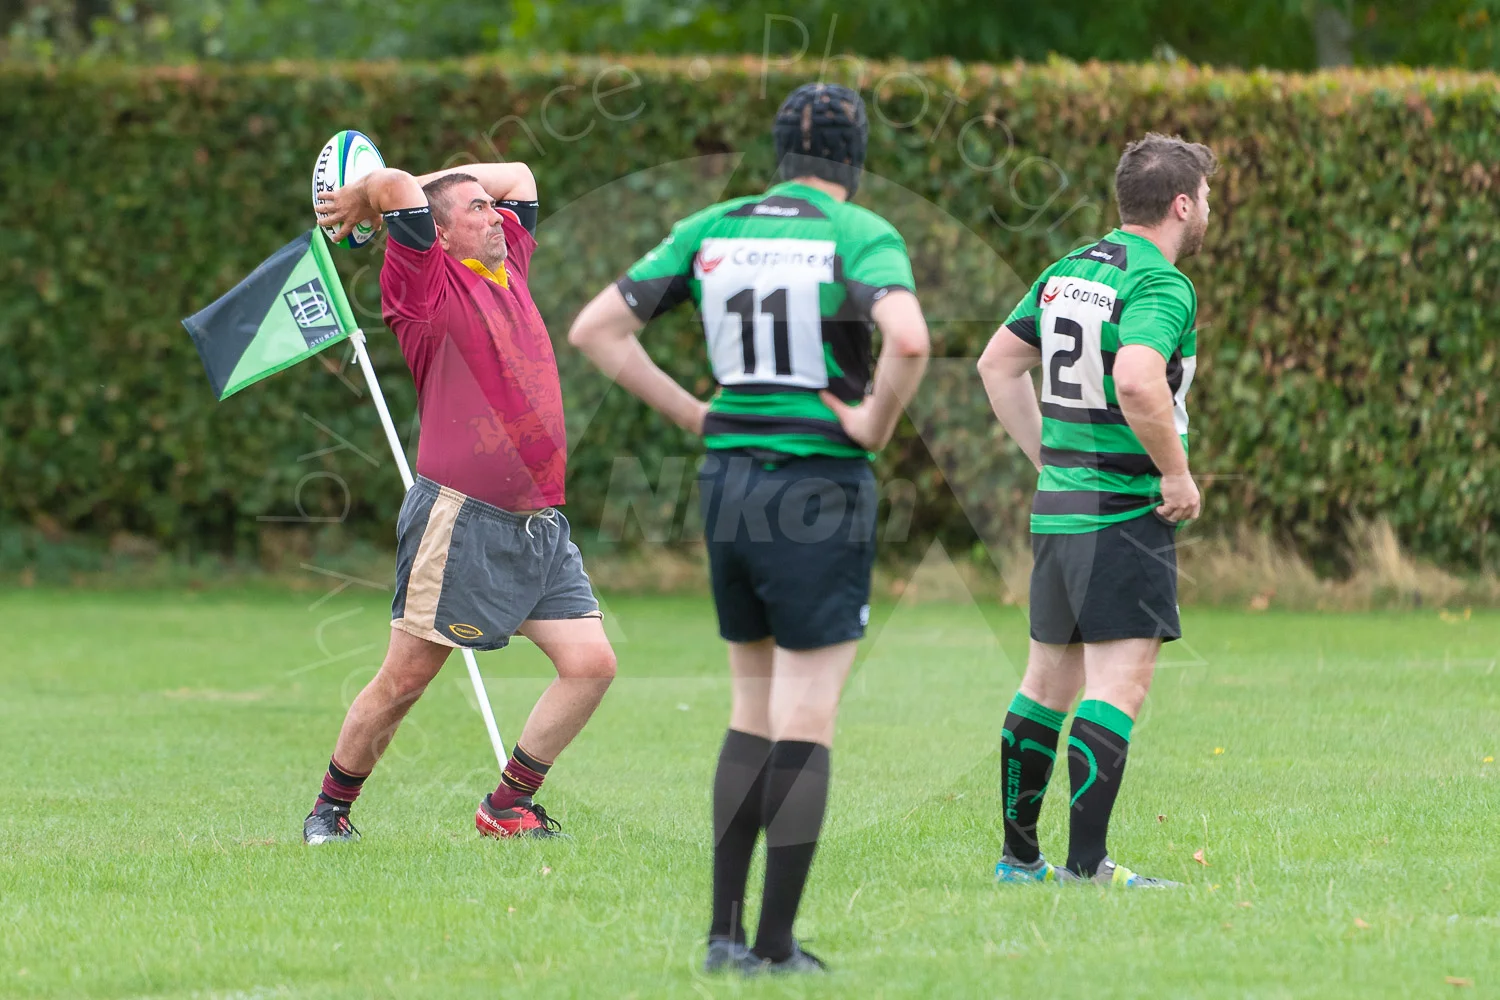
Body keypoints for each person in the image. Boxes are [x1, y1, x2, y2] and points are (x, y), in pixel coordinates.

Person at [568, 83, 930, 974]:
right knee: (806, 715)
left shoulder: (711, 229)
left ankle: (723, 936)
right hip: (818, 489)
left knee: (749, 710)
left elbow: (596, 329)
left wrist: (698, 415)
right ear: (854, 158)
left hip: (728, 487)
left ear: (779, 154)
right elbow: (912, 341)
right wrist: (875, 423)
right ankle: (775, 947)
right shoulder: (858, 234)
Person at [304, 159, 616, 844]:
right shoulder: (422, 288)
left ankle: (507, 806)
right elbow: (396, 187)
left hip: (538, 525)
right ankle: (329, 811)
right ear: (435, 236)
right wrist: (370, 198)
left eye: (489, 207)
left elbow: (523, 172)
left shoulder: (510, 267)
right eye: (475, 210)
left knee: (592, 665)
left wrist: (410, 191)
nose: (496, 215)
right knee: (406, 680)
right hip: (461, 520)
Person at [976, 133, 1216, 888]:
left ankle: (1020, 861)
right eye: (1207, 196)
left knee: (1045, 683)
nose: (1210, 209)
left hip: (1061, 509)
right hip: (1121, 512)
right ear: (1183, 204)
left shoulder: (1067, 270)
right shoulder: (1162, 283)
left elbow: (998, 363)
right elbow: (1140, 381)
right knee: (1118, 686)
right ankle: (1087, 867)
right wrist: (1175, 476)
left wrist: (1051, 459)